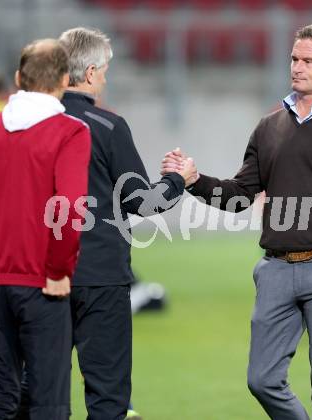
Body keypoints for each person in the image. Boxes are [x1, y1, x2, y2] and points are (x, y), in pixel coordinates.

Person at [162, 22, 312, 419]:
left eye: (308, 60)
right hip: (275, 270)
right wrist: (194, 181)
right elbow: (238, 196)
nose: (297, 67)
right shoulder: (269, 126)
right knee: (261, 379)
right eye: (294, 59)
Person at [15, 27, 197, 420]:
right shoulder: (109, 126)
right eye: (107, 70)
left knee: (36, 389)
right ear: (93, 72)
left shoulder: (27, 127)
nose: (107, 78)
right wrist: (179, 179)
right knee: (107, 394)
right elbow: (143, 202)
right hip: (101, 277)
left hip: (39, 275)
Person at [0, 39, 91, 420]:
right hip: (41, 283)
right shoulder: (70, 132)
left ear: (18, 78)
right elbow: (67, 209)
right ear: (66, 79)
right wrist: (59, 270)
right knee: (48, 401)